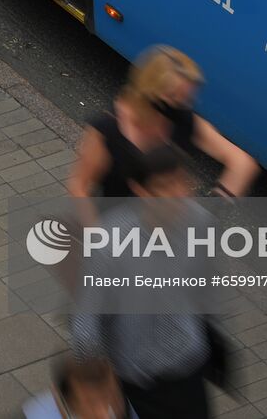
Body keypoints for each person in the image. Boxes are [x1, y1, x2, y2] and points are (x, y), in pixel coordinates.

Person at [73, 146, 214, 419]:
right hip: (141, 381)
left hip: (189, 365)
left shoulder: (199, 222)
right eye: (165, 187)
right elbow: (86, 325)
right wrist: (97, 392)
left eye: (182, 183)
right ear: (141, 191)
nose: (178, 195)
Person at [68, 46, 261, 200]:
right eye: (175, 97)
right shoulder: (107, 129)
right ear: (149, 91)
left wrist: (216, 206)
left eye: (187, 99)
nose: (183, 106)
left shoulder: (182, 119)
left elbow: (242, 163)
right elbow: (79, 186)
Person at [23, 356, 138, 419]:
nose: (104, 413)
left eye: (109, 396)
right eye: (91, 403)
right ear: (68, 401)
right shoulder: (39, 415)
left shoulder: (124, 405)